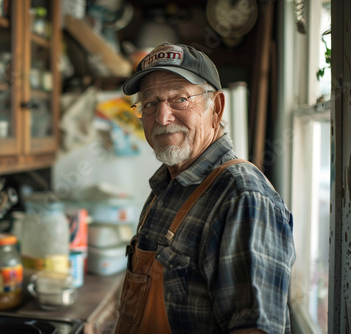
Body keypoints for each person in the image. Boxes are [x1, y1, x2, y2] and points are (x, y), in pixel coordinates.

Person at [114, 42, 296, 334]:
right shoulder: (165, 187)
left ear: (217, 108)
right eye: (150, 103)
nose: (162, 117)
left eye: (180, 99)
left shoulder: (243, 196)